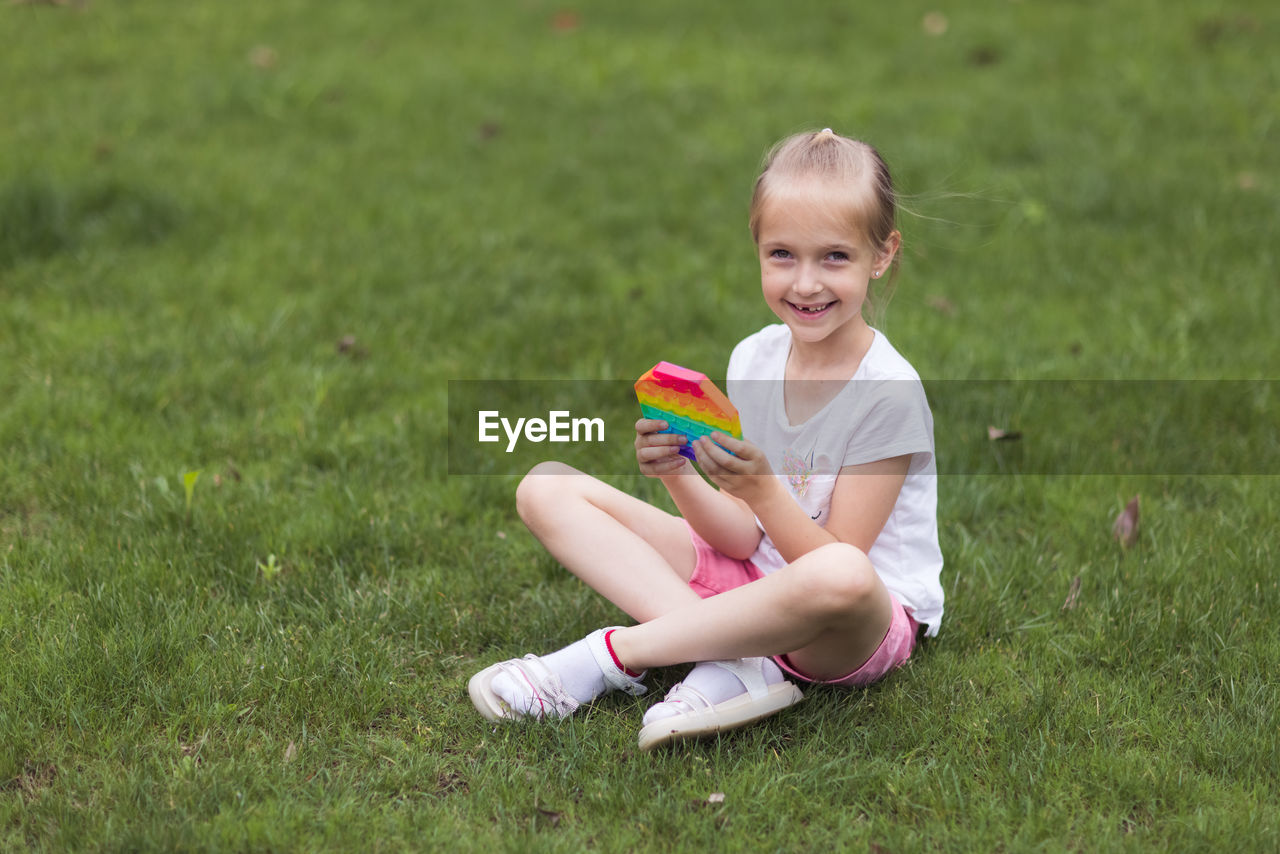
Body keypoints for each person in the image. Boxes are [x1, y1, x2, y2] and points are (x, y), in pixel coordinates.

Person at [468, 128, 944, 750]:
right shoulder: (754, 357)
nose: (805, 283)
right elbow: (741, 537)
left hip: (848, 621)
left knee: (846, 573)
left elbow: (835, 563)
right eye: (782, 255)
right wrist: (677, 473)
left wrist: (767, 493)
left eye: (834, 257)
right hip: (755, 573)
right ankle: (738, 665)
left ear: (881, 256)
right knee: (545, 486)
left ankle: (611, 656)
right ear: (757, 250)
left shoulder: (888, 393)